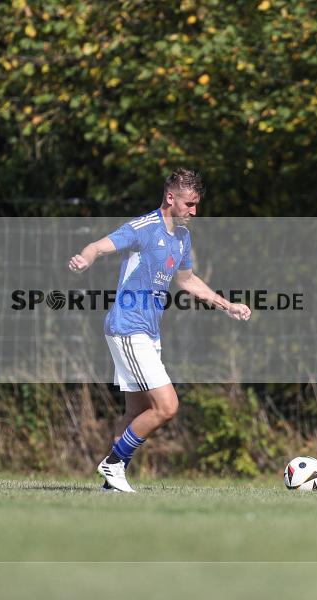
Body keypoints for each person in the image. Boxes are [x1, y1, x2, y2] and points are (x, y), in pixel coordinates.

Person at [68, 168, 251, 492]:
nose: (194, 212)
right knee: (167, 406)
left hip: (149, 333)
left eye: (196, 205)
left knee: (136, 411)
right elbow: (97, 246)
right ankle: (113, 463)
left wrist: (228, 305)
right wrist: (85, 259)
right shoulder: (143, 228)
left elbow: (187, 281)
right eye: (189, 204)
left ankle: (112, 484)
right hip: (127, 327)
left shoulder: (182, 237)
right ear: (170, 198)